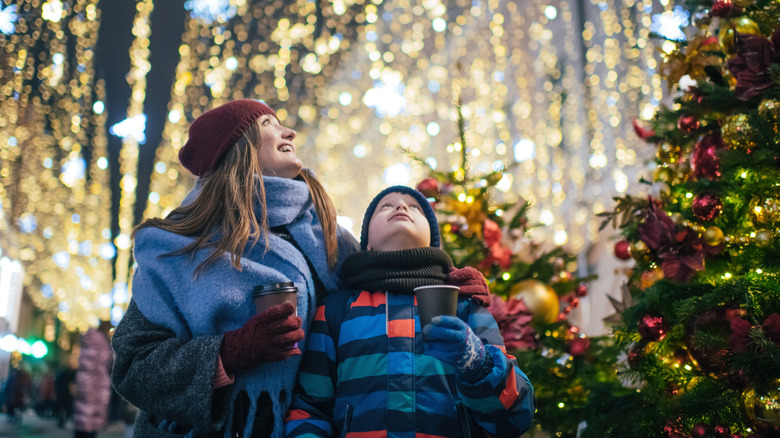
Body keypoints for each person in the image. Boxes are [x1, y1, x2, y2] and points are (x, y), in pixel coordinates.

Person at [111, 99, 360, 438]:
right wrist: (227, 354)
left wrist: (440, 280)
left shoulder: (328, 235)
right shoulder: (180, 247)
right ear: (237, 148)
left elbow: (382, 288)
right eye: (268, 125)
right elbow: (133, 367)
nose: (289, 131)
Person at [284, 186, 535, 437]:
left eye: (415, 207)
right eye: (386, 206)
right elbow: (311, 410)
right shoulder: (335, 310)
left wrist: (477, 363)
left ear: (432, 241)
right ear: (367, 243)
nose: (401, 207)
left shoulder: (466, 306)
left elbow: (514, 417)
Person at [73, 320, 113, 438]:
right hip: (95, 384)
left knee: (83, 416)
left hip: (85, 383)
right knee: (90, 419)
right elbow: (106, 360)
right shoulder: (100, 342)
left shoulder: (89, 339)